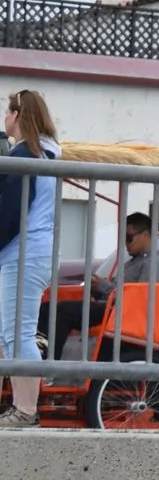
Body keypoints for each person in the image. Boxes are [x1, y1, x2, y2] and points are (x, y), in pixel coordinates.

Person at [0, 89, 63, 427]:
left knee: (17, 334)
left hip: (22, 250)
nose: (4, 118)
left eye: (7, 112)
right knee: (11, 333)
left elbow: (10, 213)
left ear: (17, 115)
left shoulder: (25, 154)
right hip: (36, 250)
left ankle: (25, 409)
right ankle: (22, 408)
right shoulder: (48, 152)